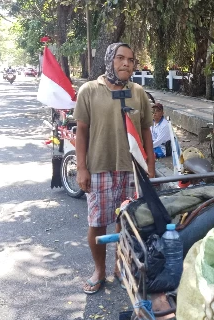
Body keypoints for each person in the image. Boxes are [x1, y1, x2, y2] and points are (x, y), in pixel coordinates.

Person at [74, 42, 155, 294]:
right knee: (97, 222)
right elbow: (82, 132)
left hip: (132, 169)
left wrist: (150, 166)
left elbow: (146, 132)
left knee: (127, 220)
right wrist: (81, 168)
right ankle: (99, 270)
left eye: (131, 60)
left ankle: (121, 265)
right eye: (121, 58)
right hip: (100, 166)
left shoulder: (138, 92)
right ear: (110, 60)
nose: (126, 64)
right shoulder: (89, 90)